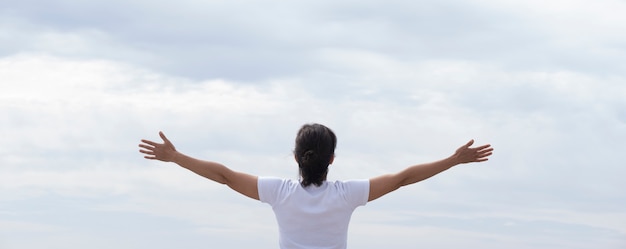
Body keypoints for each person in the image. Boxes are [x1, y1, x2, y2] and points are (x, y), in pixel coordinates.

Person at [138, 123, 493, 249]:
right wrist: (452, 160)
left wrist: (177, 157)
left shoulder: (279, 192)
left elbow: (225, 176)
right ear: (332, 160)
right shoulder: (348, 194)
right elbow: (402, 179)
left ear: (296, 159)